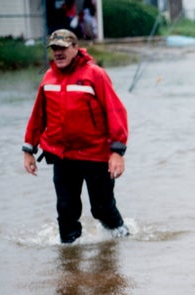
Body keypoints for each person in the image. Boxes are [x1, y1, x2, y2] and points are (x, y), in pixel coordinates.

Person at [23, 29, 129, 244]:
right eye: (54, 48)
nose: (58, 53)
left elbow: (116, 111)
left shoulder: (95, 74)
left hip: (96, 155)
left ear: (75, 48)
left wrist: (117, 153)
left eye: (62, 48)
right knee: (65, 210)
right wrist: (28, 149)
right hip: (62, 156)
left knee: (102, 208)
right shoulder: (48, 77)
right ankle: (69, 260)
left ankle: (122, 238)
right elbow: (38, 116)